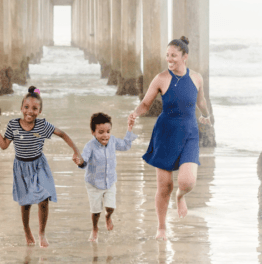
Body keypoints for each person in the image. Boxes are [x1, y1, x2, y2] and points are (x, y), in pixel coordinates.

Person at [127, 36, 211, 241]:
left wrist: (206, 116)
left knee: (187, 182)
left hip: (190, 133)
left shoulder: (197, 78)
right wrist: (135, 114)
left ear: (185, 57)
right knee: (165, 187)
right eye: (167, 56)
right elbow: (146, 104)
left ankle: (180, 197)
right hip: (165, 133)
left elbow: (201, 100)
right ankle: (162, 227)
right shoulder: (161, 78)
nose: (169, 59)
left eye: (173, 55)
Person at [0, 86, 82, 248]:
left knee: (44, 199)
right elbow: (4, 145)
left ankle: (42, 232)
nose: (30, 111)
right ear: (21, 108)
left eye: (34, 108)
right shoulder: (13, 125)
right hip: (21, 168)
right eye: (26, 107)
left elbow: (62, 134)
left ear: (40, 111)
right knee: (25, 203)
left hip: (39, 165)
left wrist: (76, 151)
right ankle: (27, 230)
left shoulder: (42, 126)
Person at [74, 112, 137, 242]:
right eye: (101, 132)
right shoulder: (89, 146)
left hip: (110, 181)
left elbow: (125, 145)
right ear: (93, 132)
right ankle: (95, 228)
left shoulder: (113, 140)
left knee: (110, 207)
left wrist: (129, 128)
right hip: (93, 183)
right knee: (96, 211)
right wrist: (79, 161)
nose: (105, 135)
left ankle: (108, 217)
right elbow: (84, 160)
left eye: (108, 131)